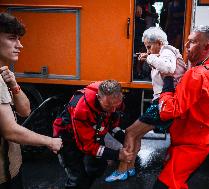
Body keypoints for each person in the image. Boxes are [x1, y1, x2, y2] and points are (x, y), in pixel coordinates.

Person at [154, 25, 209, 189]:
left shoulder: (197, 74)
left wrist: (167, 80)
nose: (186, 46)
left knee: (164, 185)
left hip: (192, 142)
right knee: (178, 181)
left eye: (192, 42)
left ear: (206, 47)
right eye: (187, 41)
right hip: (201, 138)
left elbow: (168, 111)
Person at [105, 26, 187, 182]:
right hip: (163, 102)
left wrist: (149, 58)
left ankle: (123, 170)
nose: (148, 50)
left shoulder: (167, 51)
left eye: (149, 46)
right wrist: (149, 57)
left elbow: (168, 68)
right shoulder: (163, 53)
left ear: (158, 42)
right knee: (136, 134)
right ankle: (129, 168)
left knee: (130, 132)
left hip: (163, 104)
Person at [0, 12, 62, 189]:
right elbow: (10, 131)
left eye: (19, 39)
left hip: (10, 169)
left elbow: (25, 111)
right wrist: (50, 141)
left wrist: (13, 84)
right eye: (12, 38)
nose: (19, 45)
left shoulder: (4, 76)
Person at [53, 80, 134, 189]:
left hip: (93, 133)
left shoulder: (114, 100)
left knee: (97, 168)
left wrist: (124, 138)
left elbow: (111, 125)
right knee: (78, 178)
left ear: (121, 96)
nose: (113, 110)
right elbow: (87, 146)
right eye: (109, 106)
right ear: (98, 97)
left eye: (116, 105)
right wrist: (117, 154)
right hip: (68, 137)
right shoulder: (82, 109)